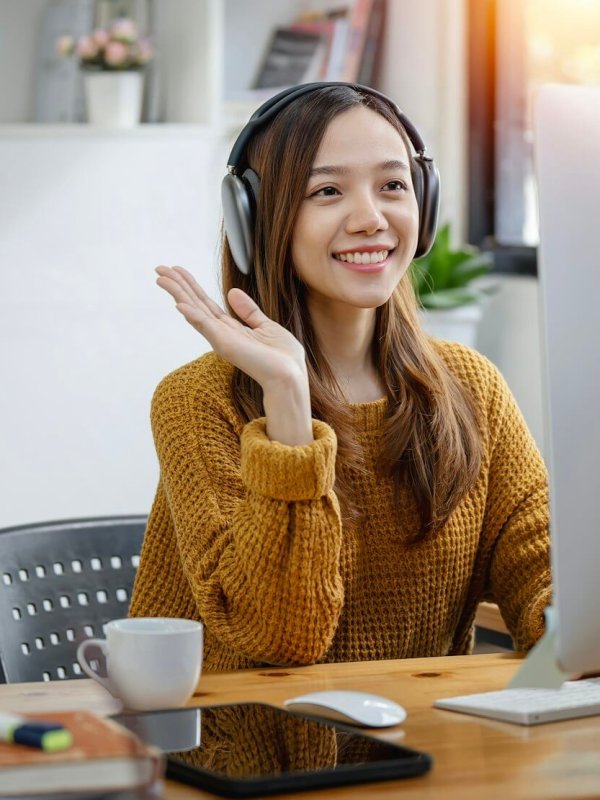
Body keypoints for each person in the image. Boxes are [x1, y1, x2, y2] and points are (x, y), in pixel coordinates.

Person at [129, 83, 551, 672]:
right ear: (257, 220)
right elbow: (280, 639)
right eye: (327, 191)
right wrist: (286, 399)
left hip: (428, 727)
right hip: (250, 734)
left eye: (392, 185)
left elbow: (539, 574)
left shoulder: (470, 387)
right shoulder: (198, 401)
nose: (370, 219)